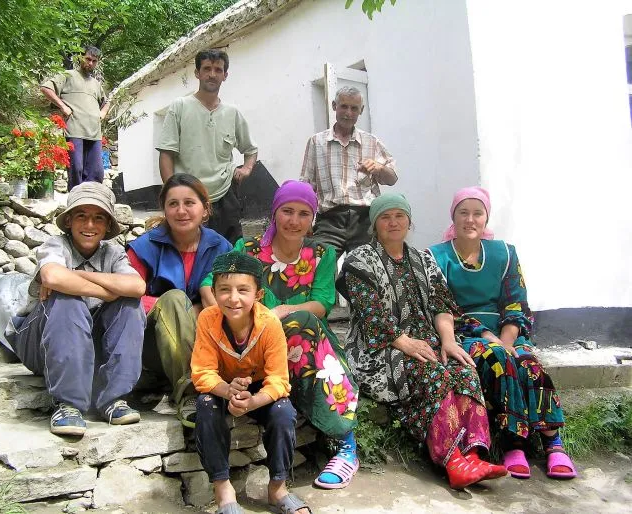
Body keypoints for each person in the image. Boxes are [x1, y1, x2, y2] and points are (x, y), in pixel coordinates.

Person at [336, 193, 507, 489]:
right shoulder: (359, 260)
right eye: (385, 217)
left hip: (426, 342)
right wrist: (405, 343)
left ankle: (474, 455)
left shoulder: (423, 259)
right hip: (379, 349)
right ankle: (452, 460)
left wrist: (448, 341)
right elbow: (370, 313)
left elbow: (441, 303)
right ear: (374, 224)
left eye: (399, 216)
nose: (393, 222)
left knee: (464, 370)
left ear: (409, 222)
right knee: (431, 373)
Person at [203, 180, 359, 490]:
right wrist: (230, 317)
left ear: (313, 218)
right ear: (274, 212)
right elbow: (210, 283)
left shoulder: (321, 253)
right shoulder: (248, 249)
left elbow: (322, 303)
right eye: (287, 211)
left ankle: (346, 444)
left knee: (301, 322)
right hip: (251, 341)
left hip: (305, 338)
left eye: (304, 213)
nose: (294, 221)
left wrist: (282, 311)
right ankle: (343, 438)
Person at [427, 186, 577, 479]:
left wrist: (508, 340)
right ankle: (514, 443)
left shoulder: (504, 253)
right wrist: (491, 339)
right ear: (453, 217)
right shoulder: (436, 256)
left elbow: (515, 303)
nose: (470, 220)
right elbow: (442, 307)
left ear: (486, 217)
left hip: (506, 331)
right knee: (498, 359)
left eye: (477, 213)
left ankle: (553, 441)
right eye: (463, 213)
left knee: (528, 363)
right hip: (465, 334)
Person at [5, 182, 146, 437]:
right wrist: (108, 290)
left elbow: (137, 286)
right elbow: (54, 278)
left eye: (98, 218)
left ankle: (113, 399)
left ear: (107, 225)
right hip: (40, 345)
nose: (89, 225)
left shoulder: (113, 253)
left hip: (89, 346)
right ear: (69, 221)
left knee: (129, 305)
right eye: (81, 216)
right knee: (65, 299)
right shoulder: (56, 245)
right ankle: (68, 404)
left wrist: (77, 275)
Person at [191, 252, 311, 514]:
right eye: (224, 290)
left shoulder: (269, 324)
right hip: (221, 386)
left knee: (283, 411)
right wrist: (227, 391)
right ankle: (223, 489)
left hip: (259, 389)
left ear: (258, 294)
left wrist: (253, 402)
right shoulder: (207, 319)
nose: (233, 298)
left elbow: (278, 380)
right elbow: (203, 372)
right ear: (214, 292)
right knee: (206, 405)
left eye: (243, 290)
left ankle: (277, 487)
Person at [126, 174, 232, 410]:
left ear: (205, 209)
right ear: (164, 209)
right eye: (173, 204)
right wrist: (178, 309)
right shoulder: (145, 247)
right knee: (174, 299)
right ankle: (190, 393)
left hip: (206, 340)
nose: (181, 211)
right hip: (153, 345)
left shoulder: (221, 248)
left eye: (189, 203)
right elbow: (126, 295)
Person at [157, 49, 258, 244]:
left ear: (225, 75)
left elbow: (250, 149)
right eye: (207, 69)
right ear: (197, 73)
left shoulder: (232, 112)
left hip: (226, 195)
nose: (212, 74)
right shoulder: (180, 106)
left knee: (229, 250)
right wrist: (172, 193)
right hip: (189, 195)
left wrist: (246, 168)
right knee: (190, 249)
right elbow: (166, 154)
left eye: (218, 70)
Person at [300, 85, 398, 259]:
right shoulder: (317, 142)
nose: (348, 113)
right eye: (344, 106)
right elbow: (307, 185)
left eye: (354, 108)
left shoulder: (372, 142)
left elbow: (392, 179)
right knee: (319, 264)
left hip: (365, 220)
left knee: (365, 268)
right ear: (334, 106)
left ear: (361, 110)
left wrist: (379, 167)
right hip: (329, 219)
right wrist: (305, 218)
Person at [41, 46, 110, 190]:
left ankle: (90, 199)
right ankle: (75, 199)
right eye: (88, 59)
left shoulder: (96, 84)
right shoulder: (68, 75)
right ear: (80, 58)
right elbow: (46, 88)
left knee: (97, 172)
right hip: (74, 130)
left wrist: (102, 113)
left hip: (94, 133)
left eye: (94, 61)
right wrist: (62, 106)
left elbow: (106, 102)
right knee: (76, 169)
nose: (90, 63)